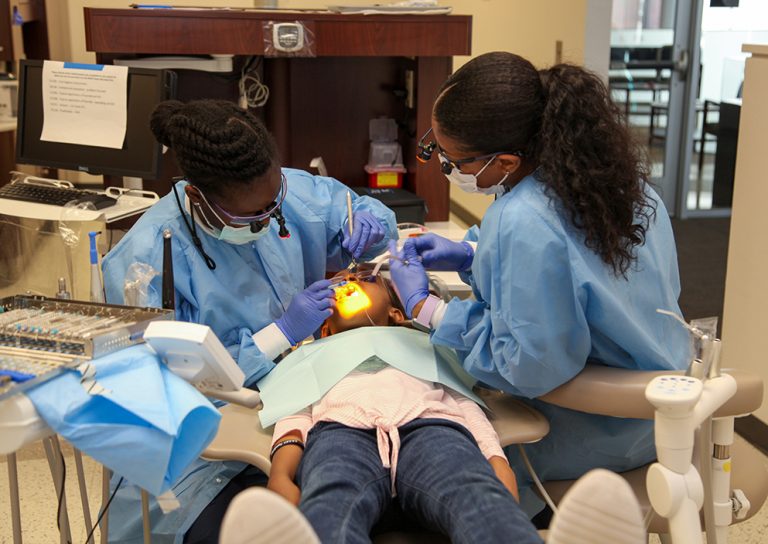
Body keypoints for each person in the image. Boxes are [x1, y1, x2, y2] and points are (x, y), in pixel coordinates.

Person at [387, 51, 691, 519]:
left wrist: (427, 309)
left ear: (506, 159)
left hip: (589, 433)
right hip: (665, 422)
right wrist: (473, 253)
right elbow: (580, 273)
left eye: (450, 159)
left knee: (427, 467)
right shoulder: (621, 185)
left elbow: (529, 366)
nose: (445, 165)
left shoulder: (523, 220)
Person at [101, 99, 397, 543]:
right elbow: (154, 393)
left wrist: (372, 224)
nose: (271, 219)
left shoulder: (291, 192)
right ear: (197, 197)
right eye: (253, 215)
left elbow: (367, 214)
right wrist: (277, 337)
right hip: (201, 457)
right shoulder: (144, 264)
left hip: (301, 417)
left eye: (274, 205)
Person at [259, 274, 542, 543]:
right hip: (341, 433)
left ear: (395, 315)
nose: (352, 282)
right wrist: (280, 476)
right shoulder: (312, 356)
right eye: (341, 283)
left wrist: (496, 460)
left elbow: (464, 403)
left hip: (430, 427)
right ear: (324, 329)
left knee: (481, 500)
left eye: (367, 279)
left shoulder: (424, 346)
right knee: (325, 512)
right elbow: (294, 414)